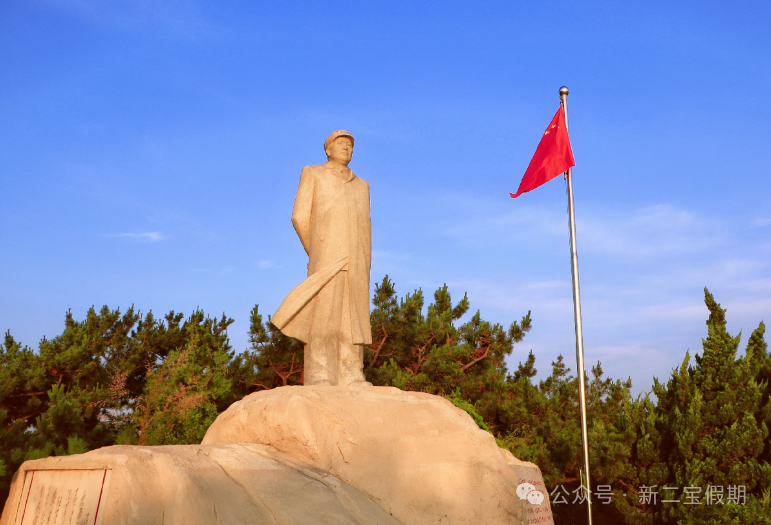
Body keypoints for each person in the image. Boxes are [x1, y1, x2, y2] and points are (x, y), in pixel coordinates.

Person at [271, 130, 373, 386]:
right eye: (340, 143)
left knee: (353, 318)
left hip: (358, 258)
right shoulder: (313, 173)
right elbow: (299, 216)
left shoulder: (362, 186)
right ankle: (319, 373)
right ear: (328, 149)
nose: (346, 148)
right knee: (324, 315)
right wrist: (315, 249)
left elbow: (367, 225)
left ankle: (352, 373)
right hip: (327, 254)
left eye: (350, 145)